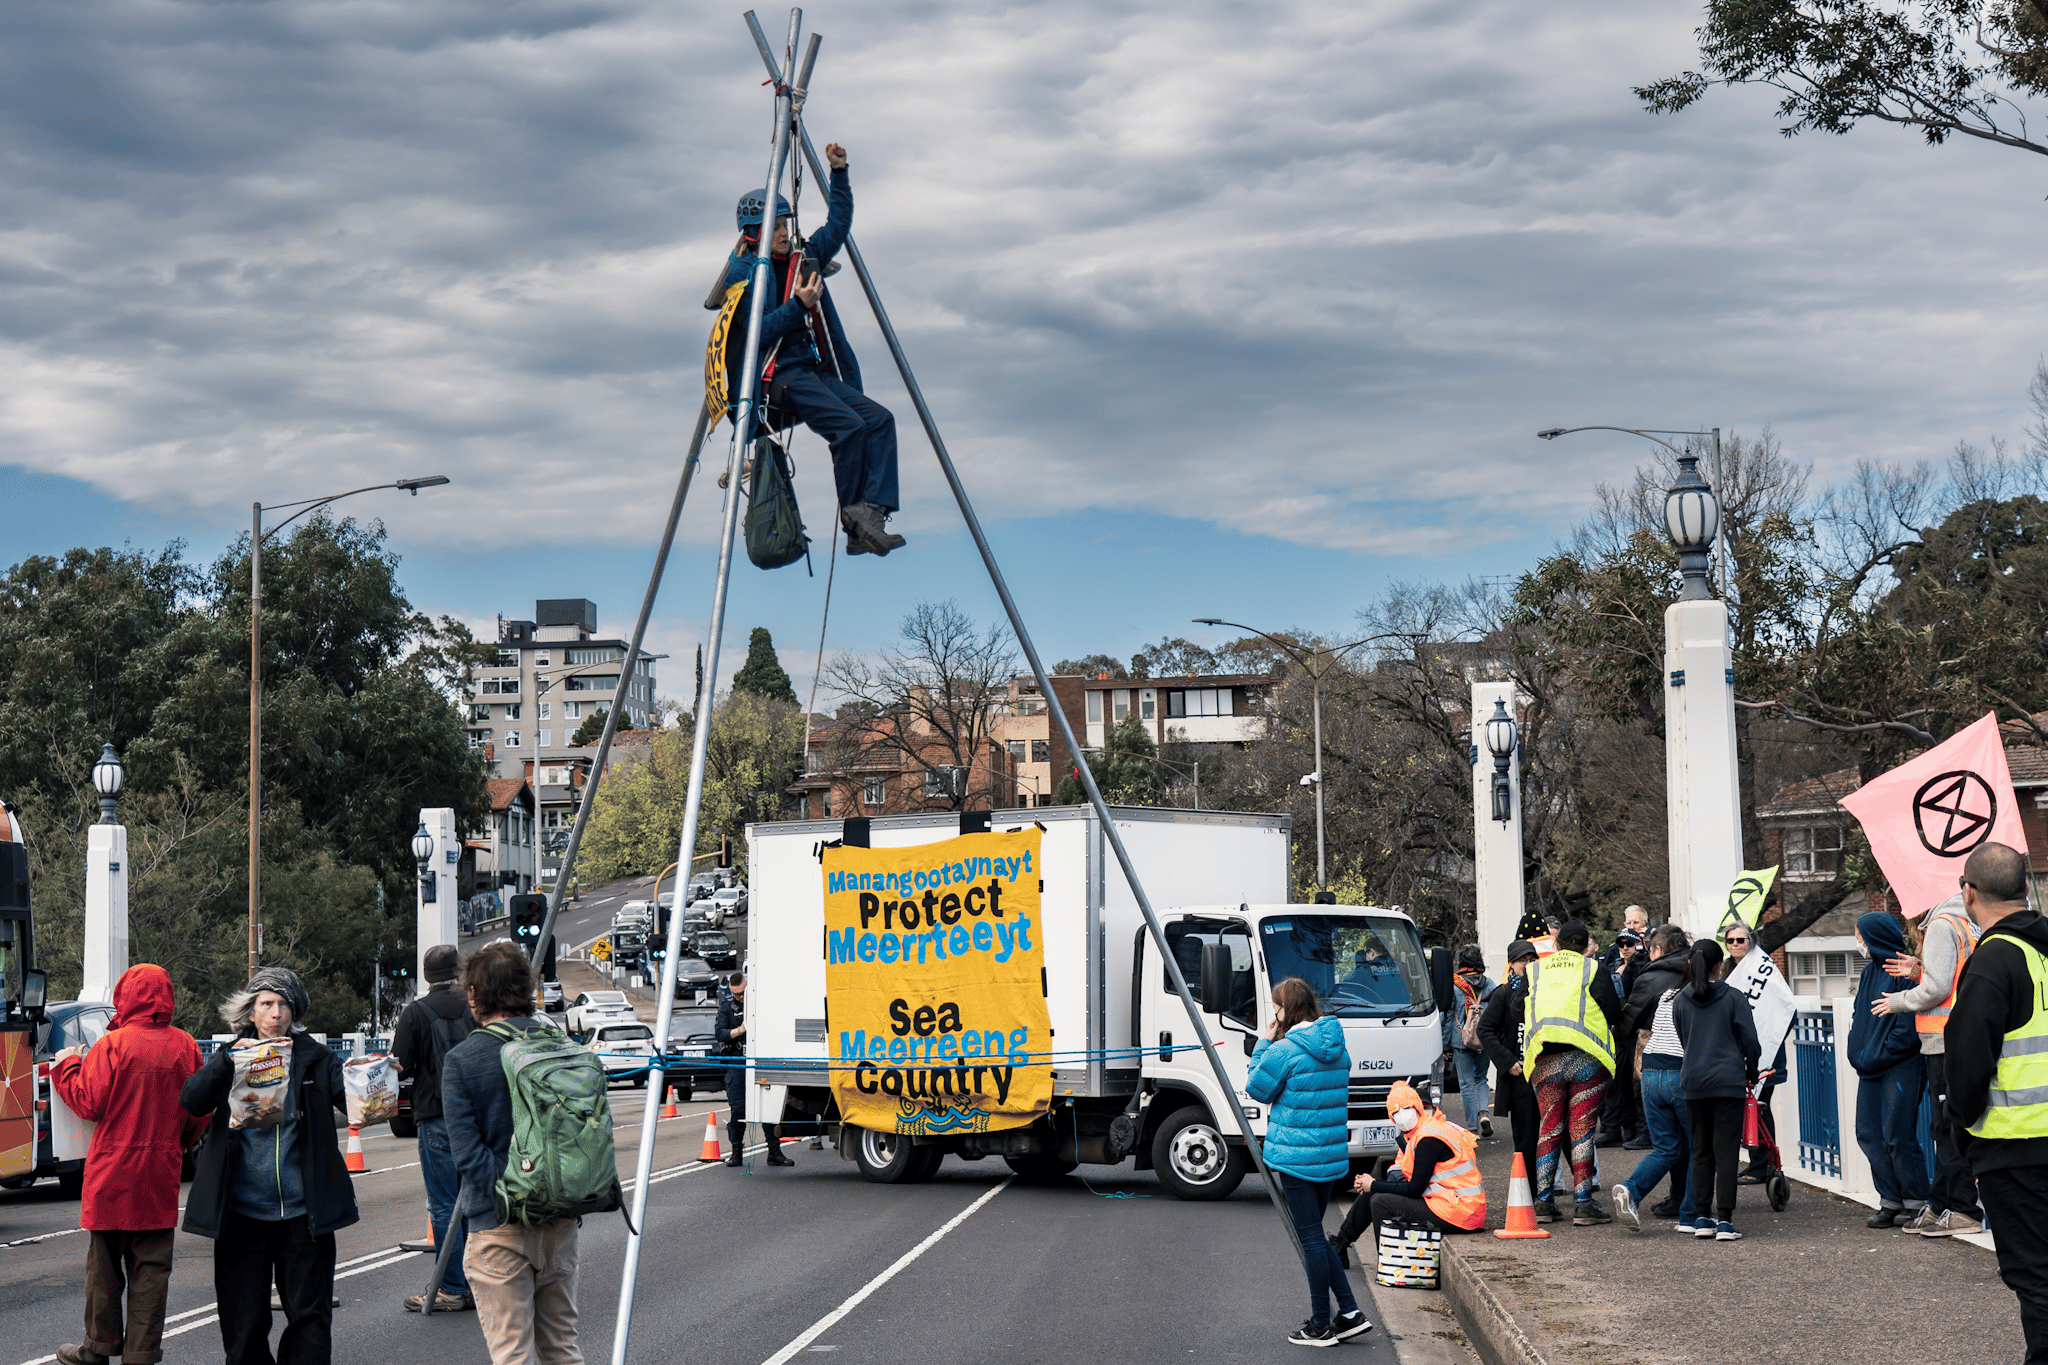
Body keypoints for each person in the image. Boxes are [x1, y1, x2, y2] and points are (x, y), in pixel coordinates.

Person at [720, 143, 903, 557]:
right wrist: (798, 306)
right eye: (776, 227)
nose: (785, 232)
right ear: (755, 234)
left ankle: (868, 516)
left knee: (879, 421)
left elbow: (837, 226)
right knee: (850, 428)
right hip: (778, 373)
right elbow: (755, 335)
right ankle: (853, 519)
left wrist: (839, 173)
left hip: (810, 368)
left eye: (785, 224)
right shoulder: (747, 273)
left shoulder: (805, 257)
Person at [181, 967, 358, 1365]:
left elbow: (356, 1105)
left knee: (310, 1320)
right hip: (242, 1215)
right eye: (266, 1004)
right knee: (243, 1324)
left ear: (294, 1011)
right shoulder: (231, 1056)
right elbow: (192, 1101)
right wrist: (227, 1060)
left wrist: (375, 1077)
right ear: (251, 1011)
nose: (275, 1013)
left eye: (283, 1004)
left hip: (302, 1215)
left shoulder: (317, 1058)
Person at [47, 964, 206, 1365]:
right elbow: (200, 1109)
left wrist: (66, 1066)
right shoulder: (186, 1046)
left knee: (103, 1272)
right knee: (151, 1273)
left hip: (111, 1176)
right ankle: (141, 1354)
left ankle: (97, 1349)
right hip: (159, 1176)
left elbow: (88, 1101)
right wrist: (178, 1145)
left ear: (125, 996)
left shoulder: (112, 1046)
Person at [442, 942, 580, 1365]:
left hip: (499, 1225)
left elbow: (468, 1156)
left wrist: (517, 1197)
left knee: (512, 1354)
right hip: (561, 1223)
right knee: (562, 1348)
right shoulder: (566, 1050)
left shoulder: (464, 1059)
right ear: (527, 989)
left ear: (474, 995)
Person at [1945, 842, 2048, 1362]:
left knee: (2036, 1277)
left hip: (2016, 1146)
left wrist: (1960, 1129)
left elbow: (1967, 1062)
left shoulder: (1993, 961)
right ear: (2025, 889)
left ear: (1969, 891)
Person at [1245, 977, 1371, 1348]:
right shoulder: (1336, 1045)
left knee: (1311, 1240)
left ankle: (1320, 1325)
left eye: (1276, 1007)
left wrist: (1263, 1042)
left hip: (1296, 1157)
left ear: (1287, 1010)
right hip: (1330, 1155)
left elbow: (1256, 1086)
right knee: (1315, 1235)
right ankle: (1348, 1313)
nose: (1274, 1013)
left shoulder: (1286, 1050)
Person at [1874, 890, 1984, 1236]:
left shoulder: (1939, 925)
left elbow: (1938, 989)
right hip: (1960, 1036)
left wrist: (1899, 1001)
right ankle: (1941, 1204)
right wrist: (1920, 969)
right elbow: (1954, 979)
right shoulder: (1965, 922)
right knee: (1947, 1126)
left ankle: (1962, 1209)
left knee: (1947, 1128)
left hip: (1942, 1040)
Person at [389, 944, 476, 1311]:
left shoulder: (415, 1012)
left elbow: (401, 1067)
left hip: (437, 1119)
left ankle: (452, 1288)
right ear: (459, 971)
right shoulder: (476, 1007)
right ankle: (480, 1283)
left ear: (426, 976)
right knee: (478, 1205)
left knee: (444, 1207)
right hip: (478, 1118)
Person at [1519, 921, 1623, 1225]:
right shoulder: (1593, 969)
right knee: (1582, 1129)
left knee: (1549, 1128)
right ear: (1586, 945)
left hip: (1544, 1059)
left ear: (1557, 944)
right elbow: (1614, 1012)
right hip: (1586, 1058)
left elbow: (1516, 1010)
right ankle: (1583, 1203)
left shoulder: (1535, 970)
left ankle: (1544, 1201)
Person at [1330, 1079, 1485, 1262]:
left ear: (1418, 1107)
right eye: (1396, 1112)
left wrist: (1374, 1184)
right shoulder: (1418, 1133)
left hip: (1459, 1210)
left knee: (1380, 1202)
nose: (1402, 1115)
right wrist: (1373, 1185)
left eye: (1406, 1108)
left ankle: (1390, 1264)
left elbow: (1414, 1188)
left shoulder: (1428, 1137)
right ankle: (1340, 1245)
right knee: (1374, 1194)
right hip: (1451, 1202)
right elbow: (1403, 1175)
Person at [1671, 939, 1759, 1240]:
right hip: (1728, 1082)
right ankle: (1724, 1220)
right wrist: (1751, 1068)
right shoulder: (1733, 997)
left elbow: (1685, 1040)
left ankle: (1701, 1217)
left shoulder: (1681, 1000)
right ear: (1718, 966)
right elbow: (1751, 1041)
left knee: (1701, 1150)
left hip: (1693, 1082)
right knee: (1726, 1153)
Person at [1848, 910, 1929, 1229]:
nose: (1858, 943)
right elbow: (1860, 1014)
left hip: (1901, 1066)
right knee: (1868, 1133)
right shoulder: (1869, 972)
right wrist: (1860, 1051)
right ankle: (1890, 1201)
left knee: (1897, 1133)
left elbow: (1907, 1025)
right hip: (1870, 1066)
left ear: (1874, 938)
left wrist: (1878, 1052)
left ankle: (1916, 1201)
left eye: (1859, 937)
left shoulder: (1903, 970)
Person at [1613, 925, 1698, 1231]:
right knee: (1696, 1144)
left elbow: (1625, 1025)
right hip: (1684, 1070)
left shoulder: (1651, 981)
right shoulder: (1700, 980)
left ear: (1658, 950)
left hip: (1650, 1068)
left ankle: (1632, 1189)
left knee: (1667, 1146)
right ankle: (1691, 1210)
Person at [1478, 940, 1542, 1200]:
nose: (1527, 965)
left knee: (1551, 1137)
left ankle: (1554, 1194)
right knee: (1525, 1140)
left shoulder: (1544, 990)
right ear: (1511, 964)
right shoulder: (1503, 994)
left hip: (1545, 1074)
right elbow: (1485, 1030)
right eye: (1521, 961)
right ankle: (1530, 1195)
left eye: (1531, 960)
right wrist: (1508, 1061)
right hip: (1519, 1079)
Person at [715, 972, 790, 1167]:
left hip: (760, 1060)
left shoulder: (761, 1006)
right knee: (738, 1110)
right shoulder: (727, 1008)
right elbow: (720, 1033)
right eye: (737, 994)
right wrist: (740, 1030)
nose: (740, 997)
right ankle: (736, 1153)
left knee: (768, 1107)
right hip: (738, 1061)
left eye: (743, 993)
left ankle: (774, 1151)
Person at [1598, 926, 1644, 1148]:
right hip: (1618, 1028)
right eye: (1621, 944)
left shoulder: (1643, 965)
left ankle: (1633, 1128)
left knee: (1634, 1084)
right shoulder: (1613, 965)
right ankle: (1616, 1128)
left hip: (1636, 1030)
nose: (1626, 948)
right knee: (1616, 1082)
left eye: (1630, 944)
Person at [1443, 946, 1494, 1136]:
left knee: (1466, 1083)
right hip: (1484, 1039)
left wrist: (1445, 1044)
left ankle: (1472, 1128)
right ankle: (1484, 1114)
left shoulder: (1454, 985)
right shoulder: (1489, 984)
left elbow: (1448, 1017)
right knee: (1481, 1078)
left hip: (1461, 1040)